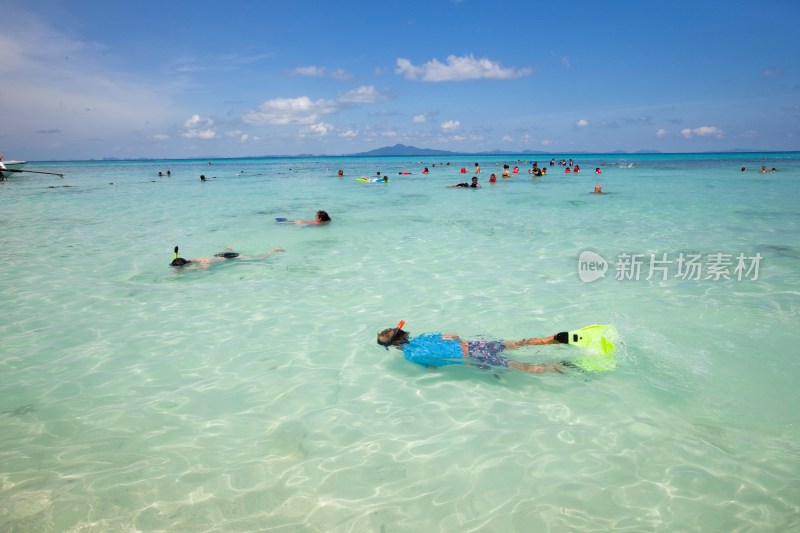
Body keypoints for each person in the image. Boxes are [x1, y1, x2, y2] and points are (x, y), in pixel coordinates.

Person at [377, 325, 573, 374]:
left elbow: (434, 368)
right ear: (403, 333)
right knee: (517, 343)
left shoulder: (411, 355)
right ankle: (550, 340)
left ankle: (558, 368)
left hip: (471, 356)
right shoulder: (423, 337)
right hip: (472, 345)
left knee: (521, 367)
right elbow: (453, 337)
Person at [170, 246, 284, 268]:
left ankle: (273, 250)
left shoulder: (200, 263)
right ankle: (228, 248)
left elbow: (205, 270)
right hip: (221, 255)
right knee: (219, 255)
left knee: (259, 259)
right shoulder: (195, 259)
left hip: (231, 257)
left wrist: (188, 273)